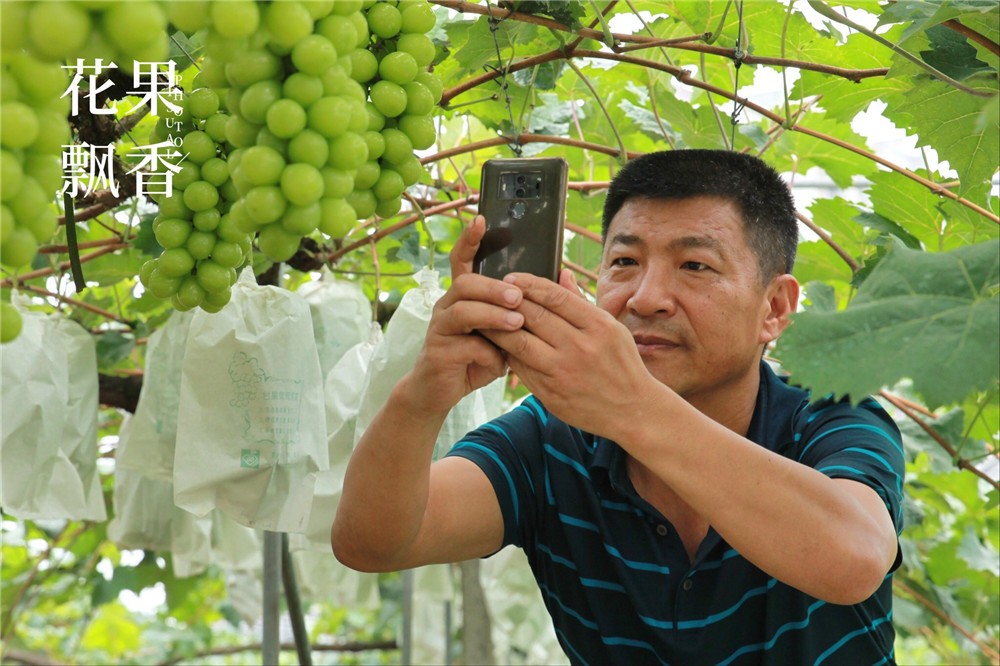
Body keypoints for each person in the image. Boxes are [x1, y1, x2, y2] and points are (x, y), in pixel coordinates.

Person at [333, 149, 904, 665]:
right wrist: (421, 396)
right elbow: (374, 541)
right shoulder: (550, 440)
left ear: (774, 308)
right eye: (625, 263)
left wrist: (631, 406)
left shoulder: (831, 418)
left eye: (695, 266)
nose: (645, 298)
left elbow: (851, 558)